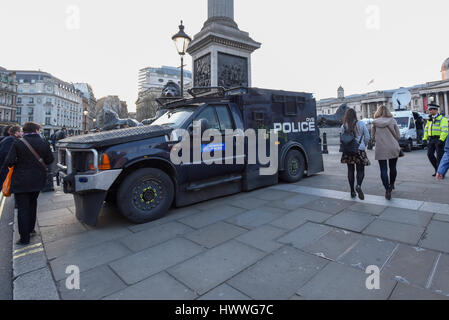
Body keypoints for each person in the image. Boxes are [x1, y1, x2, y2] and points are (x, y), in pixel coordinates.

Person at [4, 122, 54, 245]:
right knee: (32, 204)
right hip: (37, 179)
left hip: (20, 180)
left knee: (22, 209)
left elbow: (9, 162)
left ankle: (24, 238)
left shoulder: (18, 142)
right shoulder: (44, 142)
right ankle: (31, 229)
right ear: (36, 130)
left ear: (25, 131)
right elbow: (50, 160)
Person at [372, 106, 401, 200]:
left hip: (381, 148)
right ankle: (392, 184)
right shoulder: (392, 120)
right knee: (393, 167)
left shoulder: (375, 122)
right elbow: (398, 136)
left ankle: (387, 189)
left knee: (383, 169)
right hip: (393, 147)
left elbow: (372, 137)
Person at [340, 108, 370, 200]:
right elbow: (367, 136)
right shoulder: (361, 123)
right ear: (355, 115)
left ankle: (352, 191)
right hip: (359, 149)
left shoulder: (343, 126)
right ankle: (359, 185)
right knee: (360, 170)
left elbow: (342, 138)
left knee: (350, 170)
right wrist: (363, 145)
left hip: (348, 150)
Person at [424, 104, 448, 177]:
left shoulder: (442, 119)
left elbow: (445, 130)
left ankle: (440, 173)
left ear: (435, 110)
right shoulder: (429, 119)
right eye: (429, 110)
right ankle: (437, 169)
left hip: (439, 139)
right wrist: (424, 138)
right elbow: (426, 129)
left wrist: (441, 139)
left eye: (431, 110)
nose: (430, 111)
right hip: (431, 139)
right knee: (430, 155)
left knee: (439, 157)